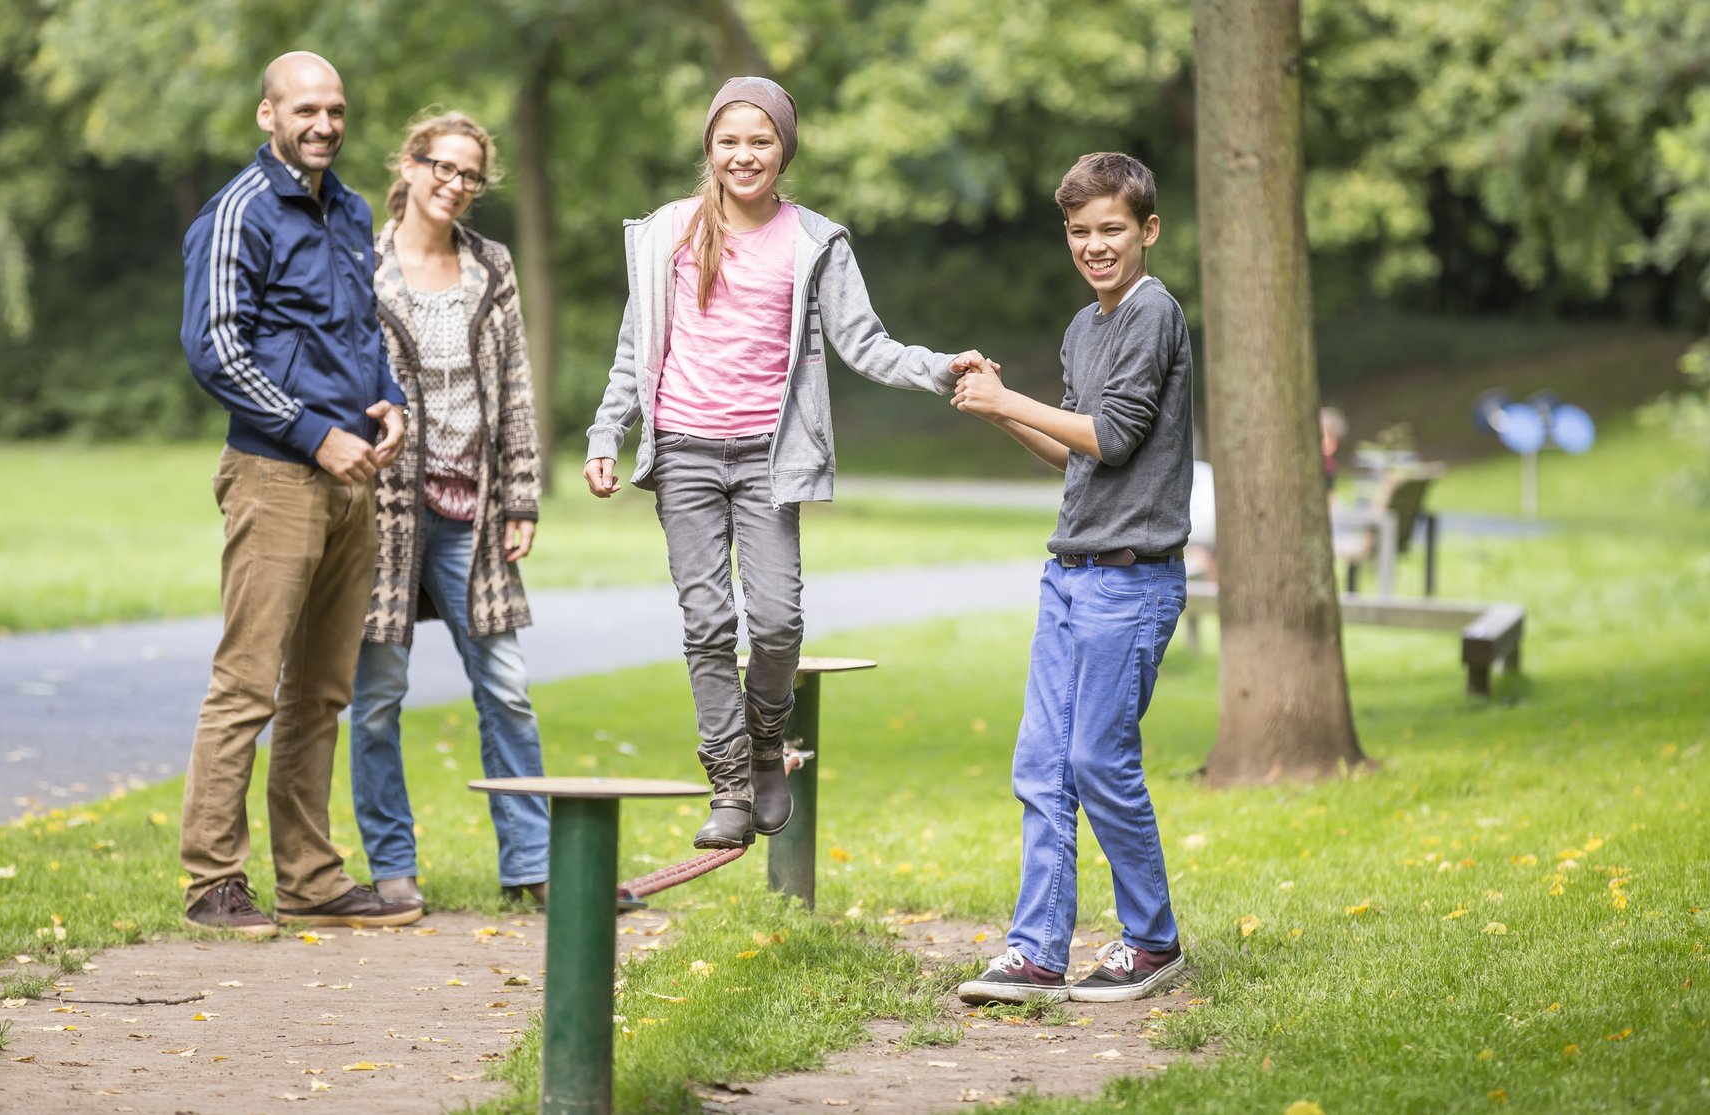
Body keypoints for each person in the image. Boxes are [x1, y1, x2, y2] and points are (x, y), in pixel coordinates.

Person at [583, 76, 990, 850]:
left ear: (784, 150)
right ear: (709, 148)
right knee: (707, 622)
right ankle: (730, 783)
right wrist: (608, 434)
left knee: (776, 622)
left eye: (760, 140)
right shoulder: (668, 232)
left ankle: (768, 742)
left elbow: (866, 343)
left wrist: (943, 368)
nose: (745, 155)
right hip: (685, 453)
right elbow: (636, 352)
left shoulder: (813, 242)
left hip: (771, 460)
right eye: (729, 140)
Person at [177, 51, 422, 934]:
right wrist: (316, 433)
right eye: (306, 108)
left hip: (356, 474)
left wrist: (387, 397)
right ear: (267, 114)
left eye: (337, 109)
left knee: (321, 689)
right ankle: (212, 882)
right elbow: (215, 347)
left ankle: (312, 878)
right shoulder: (239, 212)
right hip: (278, 473)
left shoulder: (352, 212)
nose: (324, 124)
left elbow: (358, 333)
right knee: (247, 683)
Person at [949, 152, 1194, 1003]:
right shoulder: (1084, 328)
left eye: (1112, 230)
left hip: (1131, 582)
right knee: (1043, 764)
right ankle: (1037, 950)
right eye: (1082, 232)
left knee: (1098, 760)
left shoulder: (1153, 312)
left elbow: (1116, 435)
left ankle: (1152, 940)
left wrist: (1005, 402)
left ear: (1147, 230)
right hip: (1070, 573)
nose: (1096, 246)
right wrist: (1002, 406)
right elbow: (1073, 451)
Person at [352, 109, 549, 911]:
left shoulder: (491, 265)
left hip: (474, 512)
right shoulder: (359, 262)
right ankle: (392, 865)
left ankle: (532, 863)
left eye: (470, 174)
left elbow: (516, 387)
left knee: (504, 684)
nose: (455, 184)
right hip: (383, 512)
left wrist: (523, 493)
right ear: (409, 162)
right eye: (442, 166)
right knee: (378, 694)